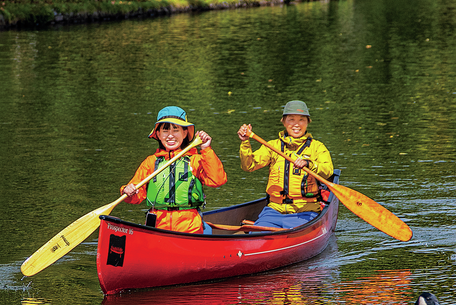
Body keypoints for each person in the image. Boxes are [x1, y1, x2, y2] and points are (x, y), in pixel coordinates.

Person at [121, 106, 227, 234]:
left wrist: (206, 149)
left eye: (175, 130)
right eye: (165, 130)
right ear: (158, 134)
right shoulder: (150, 162)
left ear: (185, 133)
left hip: (189, 227)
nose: (170, 135)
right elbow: (135, 198)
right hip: (157, 226)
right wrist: (127, 191)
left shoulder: (195, 160)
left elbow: (218, 180)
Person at [236, 99, 334, 230]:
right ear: (283, 121)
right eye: (291, 119)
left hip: (305, 212)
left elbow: (328, 171)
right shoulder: (272, 146)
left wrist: (309, 164)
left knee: (294, 233)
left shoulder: (317, 147)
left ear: (308, 122)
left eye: (301, 120)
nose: (296, 124)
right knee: (256, 234)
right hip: (273, 211)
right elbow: (249, 166)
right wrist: (245, 142)